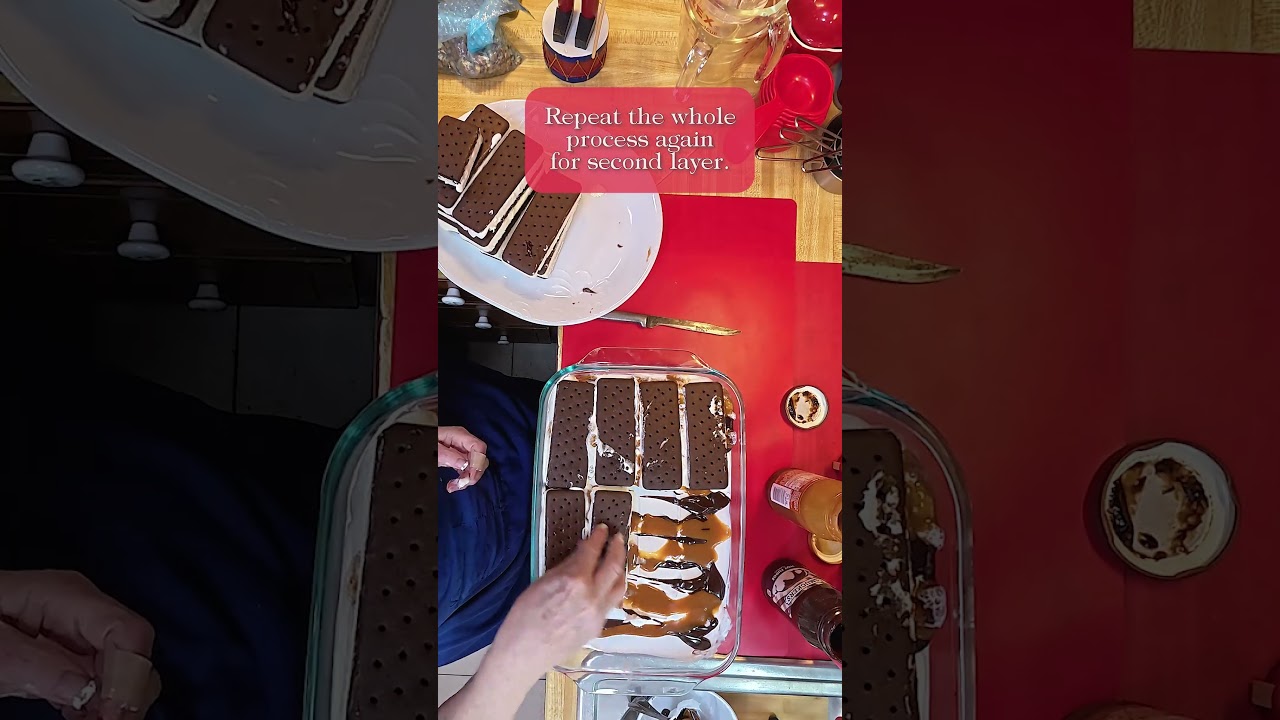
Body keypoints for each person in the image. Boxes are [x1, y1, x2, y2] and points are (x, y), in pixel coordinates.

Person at [0, 320, 608, 720]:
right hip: (346, 652)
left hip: (158, 486)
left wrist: (391, 447)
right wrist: (513, 667)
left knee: (546, 436)